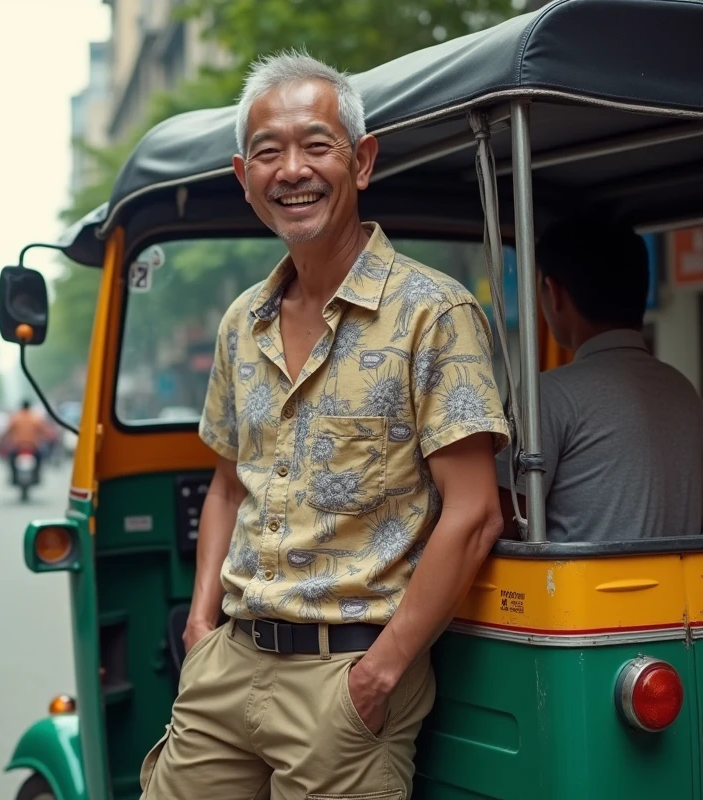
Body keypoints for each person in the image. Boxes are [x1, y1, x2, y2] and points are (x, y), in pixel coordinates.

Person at [138, 51, 509, 799]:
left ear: (361, 161)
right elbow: (226, 488)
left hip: (349, 680)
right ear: (245, 178)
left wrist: (382, 672)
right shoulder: (244, 321)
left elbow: (473, 514)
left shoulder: (432, 313)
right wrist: (201, 624)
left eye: (316, 145)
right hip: (227, 667)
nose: (292, 170)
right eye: (269, 152)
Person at [496, 216, 703, 541]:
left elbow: (500, 523)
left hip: (582, 593)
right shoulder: (683, 391)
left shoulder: (546, 397)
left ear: (554, 292)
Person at [4, 400, 45, 484]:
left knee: (11, 460)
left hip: (18, 446)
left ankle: (13, 476)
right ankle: (37, 475)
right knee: (40, 459)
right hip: (32, 446)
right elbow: (43, 431)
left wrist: (3, 439)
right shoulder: (35, 418)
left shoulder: (15, 417)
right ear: (29, 407)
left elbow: (8, 431)